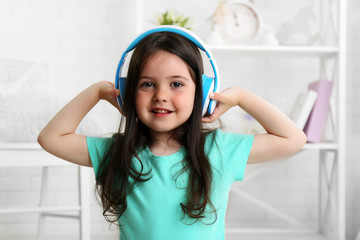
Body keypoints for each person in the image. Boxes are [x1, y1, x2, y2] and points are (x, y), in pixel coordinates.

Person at [38, 28, 306, 240]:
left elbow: (294, 139)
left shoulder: (218, 149)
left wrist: (241, 97)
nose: (161, 96)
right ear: (129, 92)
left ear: (201, 93)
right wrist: (96, 92)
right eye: (147, 84)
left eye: (176, 84)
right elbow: (51, 138)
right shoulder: (116, 153)